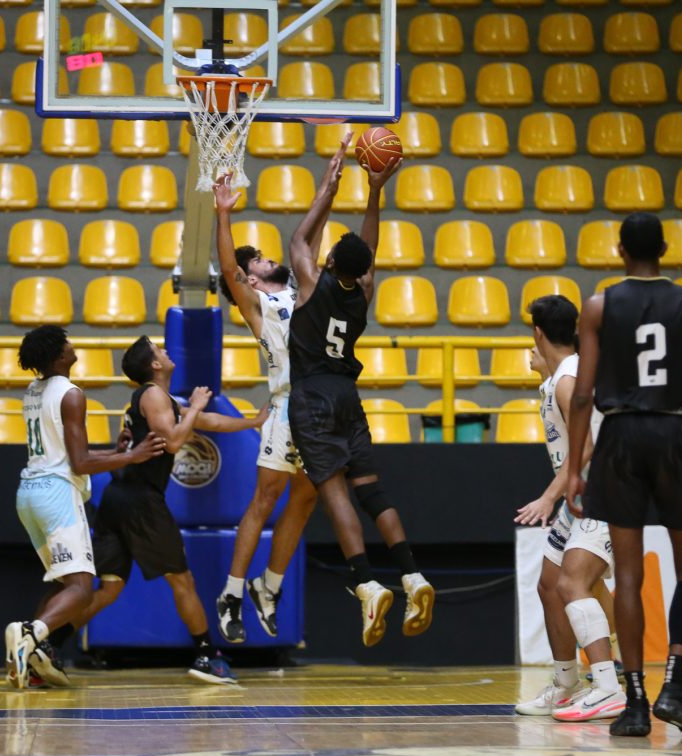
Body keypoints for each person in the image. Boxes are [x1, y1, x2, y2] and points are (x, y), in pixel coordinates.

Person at [566, 212, 682, 737]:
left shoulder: (599, 305)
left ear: (619, 250)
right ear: (663, 248)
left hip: (619, 435)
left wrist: (574, 468)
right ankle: (674, 686)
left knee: (629, 577)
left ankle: (635, 702)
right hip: (675, 432)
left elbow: (584, 395)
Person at [286, 135, 434, 647]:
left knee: (334, 493)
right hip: (349, 395)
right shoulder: (363, 292)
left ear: (329, 263)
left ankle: (367, 583)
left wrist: (328, 189)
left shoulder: (311, 283)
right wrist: (374, 191)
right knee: (371, 489)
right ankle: (412, 573)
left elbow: (298, 240)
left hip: (312, 396)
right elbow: (368, 252)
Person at [68, 336, 269, 685]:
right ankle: (207, 656)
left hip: (118, 497)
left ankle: (47, 640)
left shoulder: (159, 400)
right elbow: (175, 440)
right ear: (155, 365)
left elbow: (209, 422)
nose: (166, 352)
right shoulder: (153, 395)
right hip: (140, 501)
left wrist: (252, 423)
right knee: (182, 580)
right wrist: (196, 403)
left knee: (109, 589)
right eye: (159, 351)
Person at [8, 325, 165, 690]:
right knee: (81, 589)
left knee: (63, 583)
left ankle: (35, 660)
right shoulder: (71, 394)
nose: (71, 344)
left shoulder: (33, 390)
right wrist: (134, 456)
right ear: (57, 355)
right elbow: (79, 463)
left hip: (29, 493)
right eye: (65, 342)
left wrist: (115, 453)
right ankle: (30, 633)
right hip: (57, 496)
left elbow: (66, 454)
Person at [211, 172, 320, 645]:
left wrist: (328, 188)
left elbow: (310, 240)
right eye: (256, 258)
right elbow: (226, 266)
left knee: (307, 496)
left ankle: (267, 586)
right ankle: (232, 593)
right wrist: (223, 214)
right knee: (265, 498)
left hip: (317, 408)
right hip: (287, 405)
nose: (266, 257)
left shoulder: (300, 288)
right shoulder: (257, 305)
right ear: (251, 278)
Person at [513, 296, 623, 722]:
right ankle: (565, 685)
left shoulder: (568, 379)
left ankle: (609, 687)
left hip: (603, 490)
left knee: (574, 584)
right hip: (581, 494)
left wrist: (547, 497)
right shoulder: (561, 376)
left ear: (538, 332)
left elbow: (588, 447)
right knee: (549, 584)